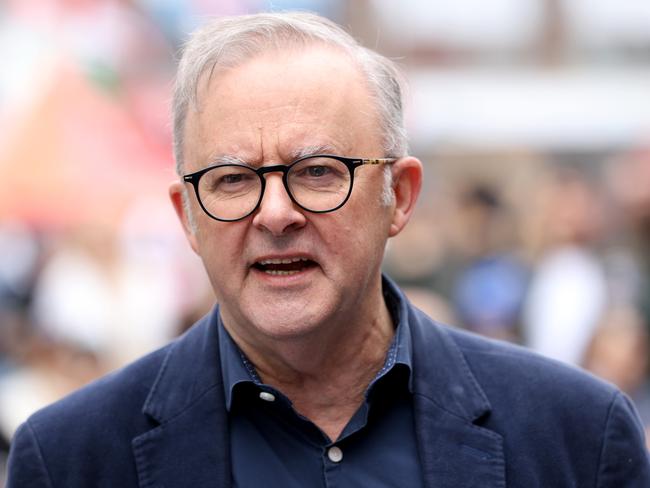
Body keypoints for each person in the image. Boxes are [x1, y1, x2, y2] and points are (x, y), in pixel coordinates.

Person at [7, 12, 649, 487]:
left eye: (318, 171)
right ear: (188, 218)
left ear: (399, 195)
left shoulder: (575, 437)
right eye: (232, 180)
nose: (276, 214)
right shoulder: (71, 459)